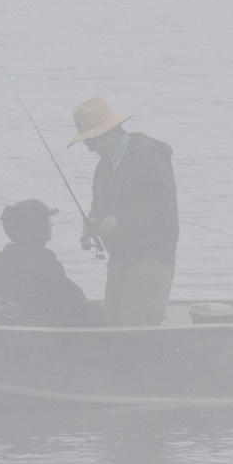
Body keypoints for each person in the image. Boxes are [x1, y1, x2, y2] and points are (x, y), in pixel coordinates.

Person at [68, 98, 178, 327]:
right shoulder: (103, 167)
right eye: (86, 142)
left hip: (151, 259)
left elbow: (164, 208)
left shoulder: (148, 155)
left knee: (134, 339)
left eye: (91, 140)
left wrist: (120, 219)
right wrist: (94, 220)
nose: (89, 148)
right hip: (118, 261)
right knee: (113, 333)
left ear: (110, 132)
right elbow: (99, 205)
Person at [0, 199, 98, 325]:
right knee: (97, 312)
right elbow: (74, 298)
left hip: (12, 321)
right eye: (47, 220)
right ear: (37, 225)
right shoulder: (44, 260)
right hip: (37, 324)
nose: (51, 224)